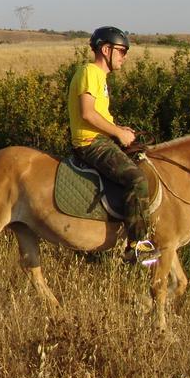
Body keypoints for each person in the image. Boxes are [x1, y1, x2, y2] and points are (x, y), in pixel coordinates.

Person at [67, 26, 154, 262]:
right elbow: (87, 113)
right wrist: (117, 133)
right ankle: (136, 245)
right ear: (106, 49)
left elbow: (100, 115)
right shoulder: (90, 72)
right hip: (90, 143)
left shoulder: (100, 78)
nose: (124, 57)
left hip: (101, 138)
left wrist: (120, 131)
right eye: (122, 51)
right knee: (136, 179)